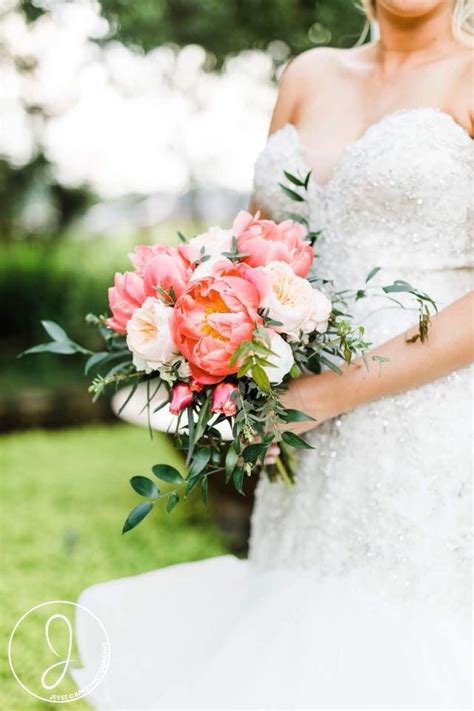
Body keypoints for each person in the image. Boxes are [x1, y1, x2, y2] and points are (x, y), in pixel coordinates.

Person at [75, 1, 473, 708]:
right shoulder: (308, 75)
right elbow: (258, 257)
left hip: (431, 435)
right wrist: (211, 345)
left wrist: (328, 393)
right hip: (300, 447)